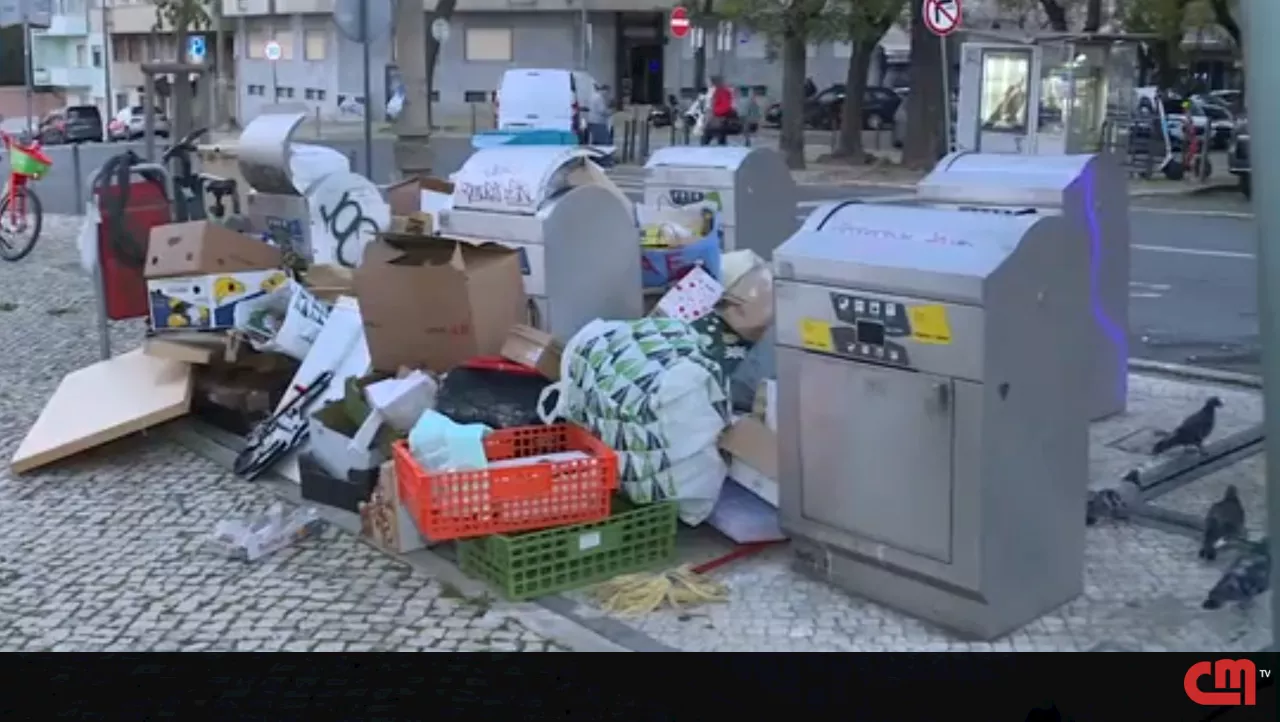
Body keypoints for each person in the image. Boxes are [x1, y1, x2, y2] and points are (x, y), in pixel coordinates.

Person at [701, 76, 734, 147]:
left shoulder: (722, 92)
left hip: (720, 117)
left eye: (710, 83)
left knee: (710, 132)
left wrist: (714, 112)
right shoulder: (717, 91)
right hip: (717, 117)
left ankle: (709, 146)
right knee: (710, 132)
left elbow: (726, 106)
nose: (709, 85)